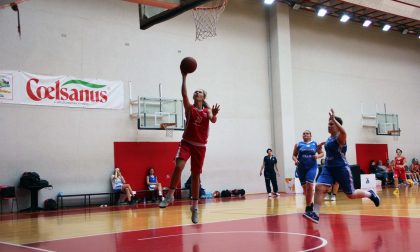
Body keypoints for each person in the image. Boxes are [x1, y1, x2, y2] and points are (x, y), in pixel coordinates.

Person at [158, 71, 220, 224]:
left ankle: (194, 207)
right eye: (196, 91)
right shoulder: (189, 109)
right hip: (186, 143)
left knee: (195, 176)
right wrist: (184, 76)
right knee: (179, 166)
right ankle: (170, 195)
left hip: (200, 146)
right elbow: (183, 93)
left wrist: (214, 114)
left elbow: (213, 120)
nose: (197, 92)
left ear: (203, 97)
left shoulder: (207, 111)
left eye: (200, 91)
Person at [303, 109, 380, 224]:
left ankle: (370, 193)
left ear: (337, 126)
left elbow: (344, 133)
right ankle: (315, 213)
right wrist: (319, 149)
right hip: (328, 168)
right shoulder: (329, 139)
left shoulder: (340, 137)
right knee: (319, 187)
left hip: (341, 168)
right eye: (328, 124)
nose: (328, 126)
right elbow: (328, 152)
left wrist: (334, 118)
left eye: (331, 124)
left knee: (351, 195)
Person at [292, 130, 324, 213]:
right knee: (305, 189)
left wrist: (317, 156)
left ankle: (308, 206)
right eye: (304, 133)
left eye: (307, 133)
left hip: (312, 167)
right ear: (302, 136)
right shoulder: (298, 144)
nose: (305, 134)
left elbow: (322, 153)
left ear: (311, 135)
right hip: (301, 168)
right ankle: (310, 202)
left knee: (310, 184)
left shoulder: (315, 144)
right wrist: (295, 160)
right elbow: (294, 155)